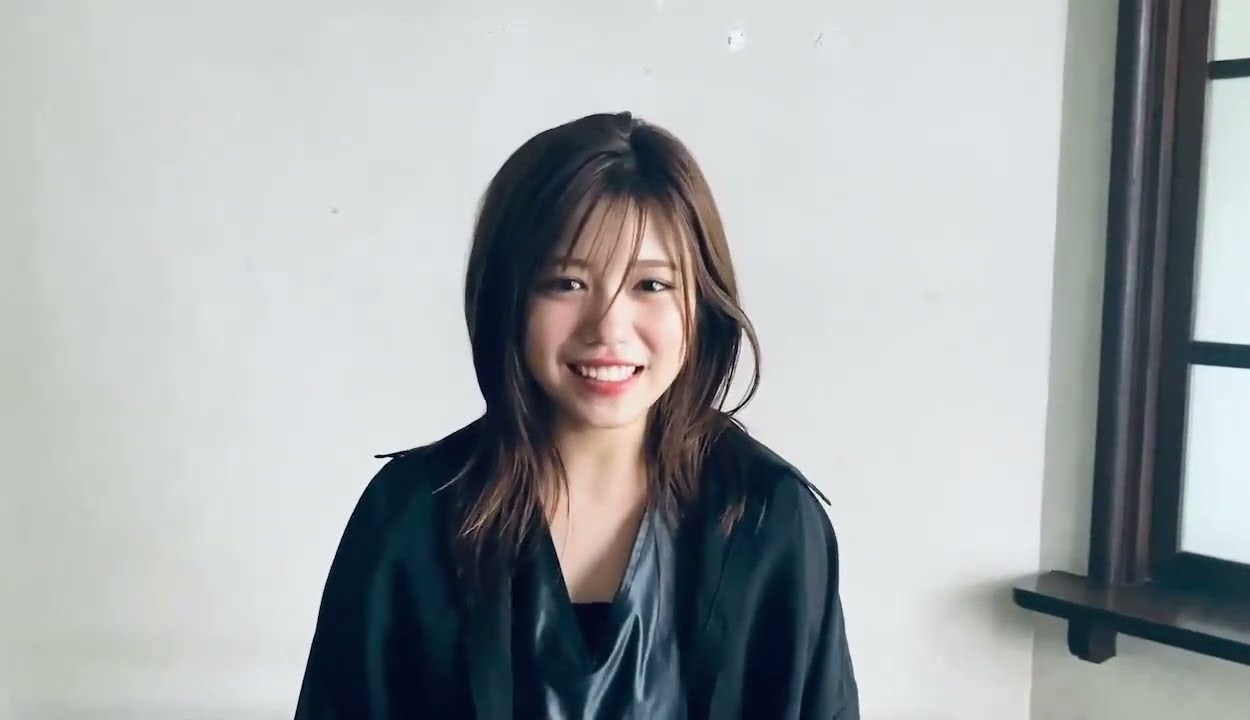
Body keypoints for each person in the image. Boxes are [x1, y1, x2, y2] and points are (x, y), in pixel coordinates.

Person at [293, 111, 859, 719]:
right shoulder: (409, 518)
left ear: (701, 303)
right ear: (509, 297)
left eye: (652, 285)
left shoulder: (768, 520)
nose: (608, 330)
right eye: (566, 282)